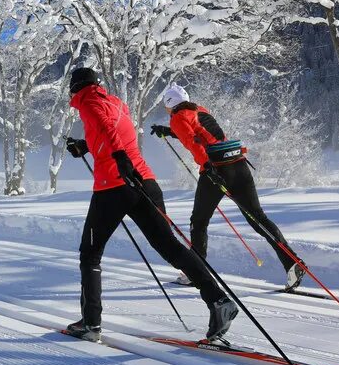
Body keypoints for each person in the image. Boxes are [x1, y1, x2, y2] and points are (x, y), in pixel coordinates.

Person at [64, 67, 237, 343]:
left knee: (90, 253)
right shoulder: (116, 103)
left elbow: (106, 128)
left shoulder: (89, 100)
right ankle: (219, 301)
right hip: (145, 181)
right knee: (170, 247)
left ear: (76, 87)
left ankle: (90, 323)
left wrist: (119, 157)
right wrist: (86, 146)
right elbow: (114, 130)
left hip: (114, 185)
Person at [150, 83, 306, 291]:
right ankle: (292, 262)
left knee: (199, 221)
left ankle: (196, 272)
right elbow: (201, 133)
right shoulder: (199, 109)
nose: (166, 110)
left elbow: (194, 142)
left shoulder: (177, 117)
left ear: (171, 104)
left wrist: (208, 168)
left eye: (166, 106)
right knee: (258, 218)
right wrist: (169, 132)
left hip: (216, 170)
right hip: (238, 164)